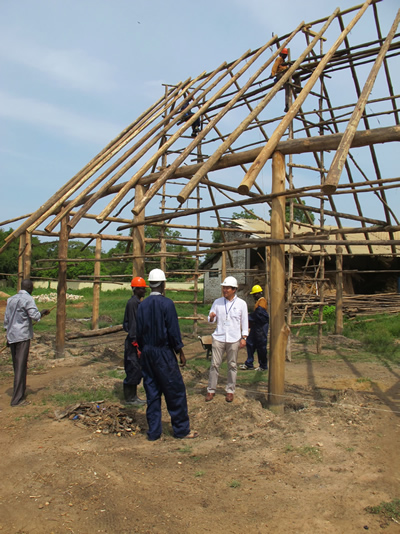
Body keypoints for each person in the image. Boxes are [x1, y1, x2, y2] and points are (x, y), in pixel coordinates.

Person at [136, 268, 198, 441]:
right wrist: (180, 351)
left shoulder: (142, 305)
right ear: (163, 284)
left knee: (152, 391)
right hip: (163, 353)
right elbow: (173, 331)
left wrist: (144, 349)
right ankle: (181, 430)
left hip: (147, 352)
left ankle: (154, 432)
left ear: (149, 285)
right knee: (175, 390)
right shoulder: (167, 304)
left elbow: (138, 332)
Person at [3, 279, 50, 407]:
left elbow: (6, 320)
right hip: (22, 336)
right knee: (21, 367)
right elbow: (34, 316)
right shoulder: (28, 299)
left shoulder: (11, 299)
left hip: (12, 335)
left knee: (17, 366)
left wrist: (8, 336)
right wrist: (42, 313)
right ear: (29, 288)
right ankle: (17, 399)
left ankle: (20, 393)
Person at [205, 276, 248, 403]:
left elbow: (245, 322)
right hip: (219, 337)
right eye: (224, 287)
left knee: (232, 365)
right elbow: (210, 319)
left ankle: (230, 390)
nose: (225, 290)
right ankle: (211, 390)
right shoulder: (217, 302)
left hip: (234, 338)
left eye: (227, 288)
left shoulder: (241, 304)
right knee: (214, 364)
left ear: (234, 289)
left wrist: (244, 337)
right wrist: (211, 317)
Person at [122, 276, 147, 406]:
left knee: (136, 369)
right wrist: (135, 343)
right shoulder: (133, 304)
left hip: (134, 341)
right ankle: (130, 398)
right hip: (133, 342)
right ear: (136, 289)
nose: (144, 291)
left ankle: (133, 396)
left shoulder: (136, 302)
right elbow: (132, 324)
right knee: (133, 368)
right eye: (142, 289)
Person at [240, 285, 269, 372]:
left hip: (261, 328)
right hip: (256, 327)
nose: (254, 296)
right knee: (250, 342)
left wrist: (247, 317)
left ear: (259, 293)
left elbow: (259, 315)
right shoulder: (259, 302)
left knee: (261, 347)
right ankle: (249, 363)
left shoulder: (262, 302)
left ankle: (263, 365)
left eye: (255, 294)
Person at [271, 47, 300, 113]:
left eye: (286, 55)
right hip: (281, 74)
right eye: (284, 55)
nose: (285, 56)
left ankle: (297, 88)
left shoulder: (284, 62)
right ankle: (287, 105)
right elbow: (275, 66)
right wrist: (272, 74)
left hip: (286, 73)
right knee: (288, 88)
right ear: (281, 54)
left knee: (296, 76)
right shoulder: (279, 59)